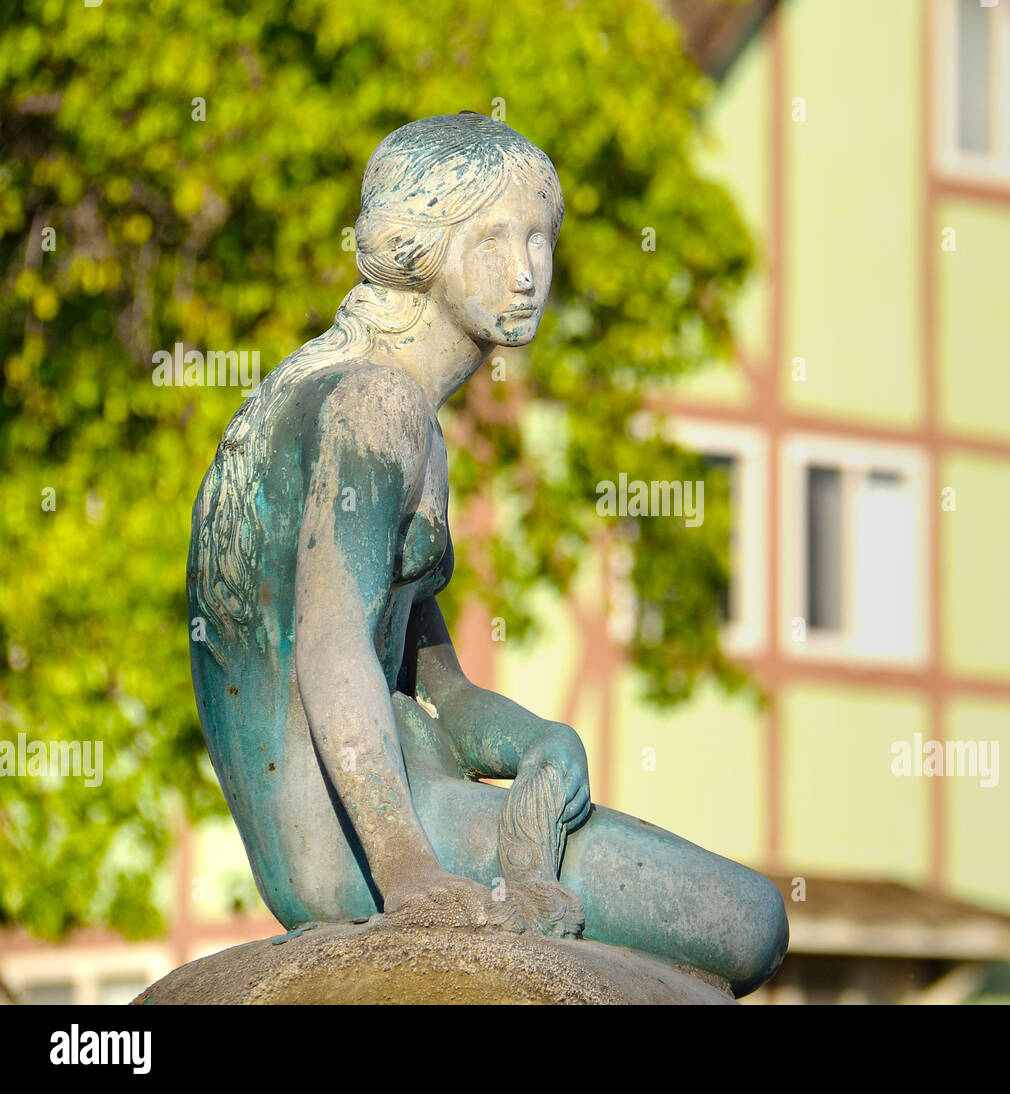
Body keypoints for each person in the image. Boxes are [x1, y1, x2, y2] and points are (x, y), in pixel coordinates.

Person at [187, 114, 786, 996]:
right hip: (362, 846)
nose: (528, 270)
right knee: (748, 921)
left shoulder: (387, 410)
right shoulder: (372, 406)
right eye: (495, 238)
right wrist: (412, 880)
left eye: (541, 238)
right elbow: (332, 647)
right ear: (418, 249)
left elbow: (438, 690)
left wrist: (540, 740)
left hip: (404, 804)